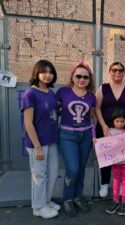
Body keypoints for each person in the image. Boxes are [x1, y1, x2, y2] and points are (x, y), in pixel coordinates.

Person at [56, 61, 96, 217]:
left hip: (85, 135)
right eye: (78, 76)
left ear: (89, 79)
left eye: (85, 77)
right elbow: (54, 111)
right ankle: (67, 198)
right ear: (72, 77)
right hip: (67, 135)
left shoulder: (91, 97)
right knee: (73, 168)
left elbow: (91, 117)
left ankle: (78, 196)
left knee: (81, 169)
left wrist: (93, 137)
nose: (82, 79)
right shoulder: (63, 92)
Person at [21, 60, 60, 219]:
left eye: (50, 72)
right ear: (36, 73)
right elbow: (28, 123)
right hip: (37, 143)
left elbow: (54, 113)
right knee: (39, 175)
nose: (48, 75)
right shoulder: (30, 94)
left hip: (51, 141)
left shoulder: (51, 93)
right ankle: (38, 207)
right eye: (44, 72)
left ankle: (46, 200)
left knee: (53, 173)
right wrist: (37, 147)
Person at [95, 62, 125, 198]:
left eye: (120, 70)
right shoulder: (103, 88)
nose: (117, 73)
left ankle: (120, 184)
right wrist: (103, 125)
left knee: (122, 160)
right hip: (106, 130)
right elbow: (96, 107)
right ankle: (104, 183)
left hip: (123, 131)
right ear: (109, 71)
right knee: (106, 157)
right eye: (114, 70)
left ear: (124, 73)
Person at [105, 107, 125, 216]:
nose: (120, 124)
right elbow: (105, 145)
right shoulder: (110, 132)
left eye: (122, 121)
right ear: (113, 121)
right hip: (115, 163)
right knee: (116, 181)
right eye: (117, 121)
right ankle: (115, 200)